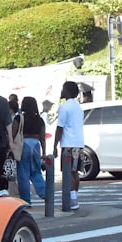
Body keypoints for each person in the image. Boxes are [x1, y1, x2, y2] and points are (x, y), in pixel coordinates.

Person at [53, 80, 85, 211]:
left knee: (68, 172)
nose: (61, 91)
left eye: (63, 89)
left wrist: (55, 145)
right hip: (79, 143)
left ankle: (72, 200)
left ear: (67, 91)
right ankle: (74, 197)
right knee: (75, 172)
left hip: (68, 144)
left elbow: (60, 127)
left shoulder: (64, 107)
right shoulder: (78, 107)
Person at [17, 96, 47, 205]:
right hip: (35, 145)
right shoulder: (39, 120)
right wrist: (43, 152)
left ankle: (26, 200)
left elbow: (14, 133)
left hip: (23, 144)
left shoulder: (19, 118)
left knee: (23, 174)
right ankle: (44, 193)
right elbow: (42, 137)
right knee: (36, 171)